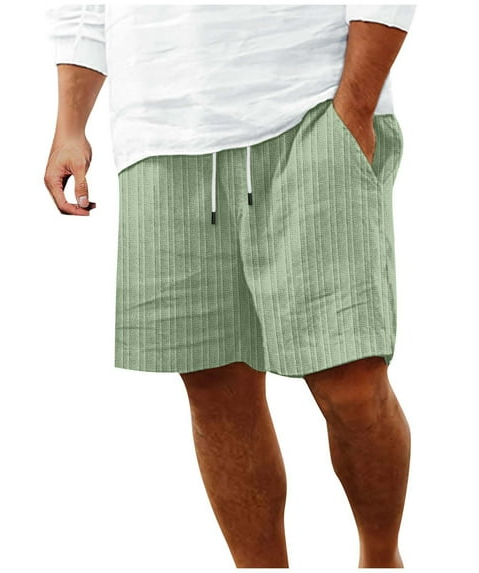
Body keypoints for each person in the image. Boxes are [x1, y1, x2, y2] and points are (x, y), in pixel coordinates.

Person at [43, 5, 416, 568]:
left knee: (351, 378)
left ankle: (381, 560)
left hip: (311, 105)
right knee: (215, 386)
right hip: (160, 131)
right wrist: (70, 125)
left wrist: (356, 108)